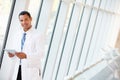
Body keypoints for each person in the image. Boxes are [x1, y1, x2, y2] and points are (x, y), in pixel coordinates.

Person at [7, 11, 45, 80]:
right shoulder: (17, 34)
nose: (24, 22)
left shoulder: (38, 35)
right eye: (21, 20)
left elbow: (41, 54)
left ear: (31, 19)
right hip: (17, 68)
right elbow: (16, 50)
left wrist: (26, 56)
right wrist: (12, 55)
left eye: (26, 19)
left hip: (30, 70)